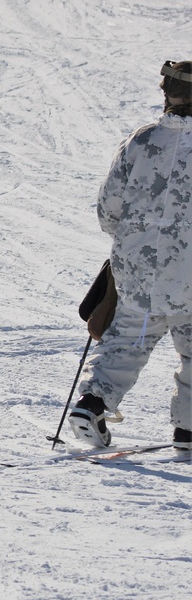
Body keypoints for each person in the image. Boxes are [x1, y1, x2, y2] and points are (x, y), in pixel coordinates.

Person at [69, 60, 192, 450]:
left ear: (166, 92)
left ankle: (92, 405)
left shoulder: (141, 141)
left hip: (138, 272)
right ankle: (188, 431)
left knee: (125, 343)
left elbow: (109, 209)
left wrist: (133, 245)